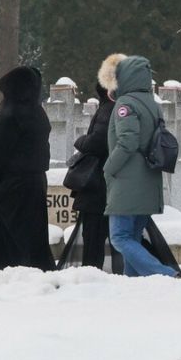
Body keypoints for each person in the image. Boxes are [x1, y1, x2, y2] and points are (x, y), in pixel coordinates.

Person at [101, 53, 179, 278]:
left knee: (120, 238)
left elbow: (128, 141)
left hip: (127, 182)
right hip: (148, 181)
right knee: (132, 237)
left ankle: (164, 274)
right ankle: (133, 283)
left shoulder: (125, 104)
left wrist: (109, 168)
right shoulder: (152, 104)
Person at [0, 65, 54, 273]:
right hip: (35, 182)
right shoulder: (37, 112)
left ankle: (5, 275)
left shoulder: (9, 113)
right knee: (33, 236)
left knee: (5, 237)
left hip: (11, 185)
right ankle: (38, 272)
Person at [69, 77, 115, 268]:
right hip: (104, 182)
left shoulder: (108, 109)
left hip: (97, 182)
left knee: (94, 235)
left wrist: (80, 141)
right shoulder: (112, 107)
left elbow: (98, 142)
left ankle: (92, 273)